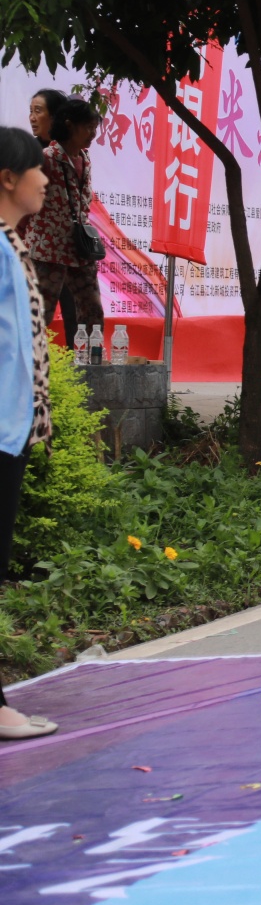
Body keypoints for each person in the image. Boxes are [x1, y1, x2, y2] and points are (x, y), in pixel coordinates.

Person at [0, 127, 57, 739]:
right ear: (7, 179)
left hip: (10, 430)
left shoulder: (10, 242)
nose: (45, 178)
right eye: (35, 169)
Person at [20, 97, 103, 348]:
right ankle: (26, 369)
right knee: (39, 314)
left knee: (92, 310)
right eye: (87, 127)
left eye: (95, 127)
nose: (93, 134)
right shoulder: (44, 158)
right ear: (69, 125)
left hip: (80, 249)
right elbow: (22, 203)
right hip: (46, 251)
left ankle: (91, 367)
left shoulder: (85, 159)